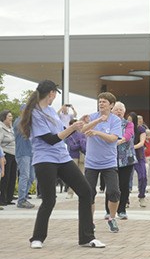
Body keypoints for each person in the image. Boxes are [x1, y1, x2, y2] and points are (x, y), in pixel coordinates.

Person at [19, 80, 104, 249]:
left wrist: (78, 123)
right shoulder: (35, 113)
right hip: (44, 159)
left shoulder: (51, 111)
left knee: (86, 192)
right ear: (51, 93)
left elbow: (63, 131)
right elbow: (50, 139)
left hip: (62, 157)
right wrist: (72, 129)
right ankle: (37, 237)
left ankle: (87, 238)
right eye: (54, 94)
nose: (54, 97)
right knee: (49, 200)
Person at [82, 92, 122, 233]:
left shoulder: (115, 120)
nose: (101, 103)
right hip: (91, 163)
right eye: (100, 101)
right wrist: (97, 121)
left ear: (111, 105)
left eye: (104, 101)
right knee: (89, 193)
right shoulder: (92, 117)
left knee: (114, 192)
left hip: (109, 163)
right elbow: (83, 129)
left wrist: (97, 133)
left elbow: (113, 138)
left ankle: (112, 218)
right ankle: (89, 221)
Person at [13, 107, 36, 209]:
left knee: (31, 177)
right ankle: (21, 200)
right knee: (24, 176)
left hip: (30, 153)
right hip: (22, 153)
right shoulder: (19, 122)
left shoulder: (29, 123)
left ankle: (24, 197)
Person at [129, 112, 148, 208]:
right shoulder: (124, 128)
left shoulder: (141, 129)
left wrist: (131, 147)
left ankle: (142, 196)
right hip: (127, 157)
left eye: (131, 120)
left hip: (139, 156)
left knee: (143, 176)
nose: (130, 122)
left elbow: (142, 143)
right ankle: (125, 199)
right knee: (127, 179)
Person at [64, 118, 87, 198]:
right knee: (73, 175)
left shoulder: (83, 134)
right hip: (73, 156)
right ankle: (70, 192)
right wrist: (80, 144)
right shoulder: (68, 135)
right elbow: (72, 147)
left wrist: (81, 144)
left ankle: (81, 192)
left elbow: (85, 146)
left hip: (82, 156)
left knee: (81, 175)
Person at [0, 110, 17, 206]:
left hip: (13, 154)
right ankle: (2, 199)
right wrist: (2, 156)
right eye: (9, 116)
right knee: (5, 177)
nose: (11, 118)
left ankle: (9, 198)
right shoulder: (1, 128)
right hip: (5, 154)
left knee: (12, 177)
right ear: (4, 117)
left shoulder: (11, 128)